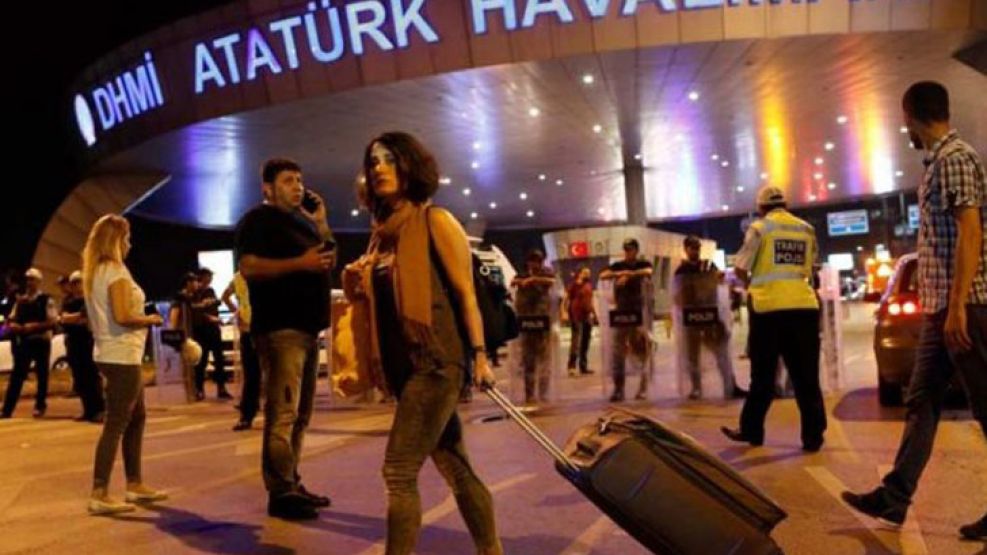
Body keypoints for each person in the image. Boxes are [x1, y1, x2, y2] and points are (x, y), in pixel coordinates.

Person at [343, 132, 502, 555]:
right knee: (455, 465)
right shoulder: (382, 237)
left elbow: (466, 293)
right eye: (372, 160)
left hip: (436, 361)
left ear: (410, 166)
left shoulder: (435, 220)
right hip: (405, 368)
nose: (378, 167)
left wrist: (481, 357)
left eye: (389, 159)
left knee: (398, 471)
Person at [842, 81, 987, 540]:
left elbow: (970, 232)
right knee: (921, 398)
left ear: (912, 116)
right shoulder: (938, 162)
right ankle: (894, 496)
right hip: (941, 309)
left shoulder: (955, 158)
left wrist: (960, 306)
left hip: (967, 308)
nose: (904, 127)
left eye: (904, 119)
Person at [235, 158, 334, 521]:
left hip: (308, 330)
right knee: (282, 414)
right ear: (267, 188)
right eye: (289, 180)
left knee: (301, 416)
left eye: (300, 179)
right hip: (281, 330)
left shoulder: (303, 224)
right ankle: (280, 492)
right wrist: (300, 264)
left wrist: (321, 222)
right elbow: (249, 267)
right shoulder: (257, 221)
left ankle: (291, 480)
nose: (298, 186)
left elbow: (327, 259)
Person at [721, 186, 826, 452]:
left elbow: (741, 268)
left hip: (768, 311)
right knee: (806, 377)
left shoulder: (759, 228)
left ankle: (752, 430)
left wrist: (754, 288)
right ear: (786, 204)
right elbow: (814, 269)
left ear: (761, 207)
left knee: (764, 376)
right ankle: (813, 437)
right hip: (804, 308)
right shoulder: (805, 229)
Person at [82, 214, 167, 515]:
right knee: (117, 423)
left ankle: (135, 484)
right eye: (126, 238)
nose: (130, 243)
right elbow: (122, 316)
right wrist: (151, 318)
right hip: (121, 356)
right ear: (116, 240)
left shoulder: (96, 271)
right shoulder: (115, 271)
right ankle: (99, 492)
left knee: (136, 418)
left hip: (112, 353)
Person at [673, 236, 746, 400]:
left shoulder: (708, 265)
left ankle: (730, 384)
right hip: (691, 317)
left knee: (722, 352)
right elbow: (678, 295)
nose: (695, 251)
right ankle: (696, 387)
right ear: (686, 249)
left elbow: (719, 281)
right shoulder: (681, 271)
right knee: (693, 354)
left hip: (710, 315)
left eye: (697, 248)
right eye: (692, 248)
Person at [599, 238, 654, 402]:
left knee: (642, 351)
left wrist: (629, 275)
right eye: (626, 249)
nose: (628, 252)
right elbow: (603, 275)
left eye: (630, 249)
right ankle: (618, 389)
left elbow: (648, 272)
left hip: (639, 313)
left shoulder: (642, 263)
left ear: (636, 250)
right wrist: (619, 274)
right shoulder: (618, 265)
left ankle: (643, 387)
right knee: (618, 353)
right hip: (621, 313)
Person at [1, 268, 57, 418]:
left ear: (39, 282)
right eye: (27, 279)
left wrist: (33, 327)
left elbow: (52, 321)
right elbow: (12, 318)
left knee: (42, 375)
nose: (29, 283)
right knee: (17, 375)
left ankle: (40, 405)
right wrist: (12, 325)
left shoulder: (46, 300)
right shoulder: (21, 301)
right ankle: (7, 409)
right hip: (24, 342)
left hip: (40, 340)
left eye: (32, 279)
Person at [511, 249, 557, 405]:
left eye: (538, 261)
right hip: (526, 323)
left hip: (542, 322)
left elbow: (551, 282)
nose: (535, 264)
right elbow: (513, 282)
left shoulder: (546, 273)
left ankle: (543, 393)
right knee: (528, 360)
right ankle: (529, 394)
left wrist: (533, 280)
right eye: (532, 261)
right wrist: (523, 281)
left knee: (544, 359)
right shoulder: (522, 274)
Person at [59, 271, 105, 422]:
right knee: (80, 378)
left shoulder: (90, 299)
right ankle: (88, 410)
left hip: (88, 341)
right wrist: (76, 318)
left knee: (92, 376)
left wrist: (73, 318)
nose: (76, 286)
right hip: (73, 341)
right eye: (74, 283)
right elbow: (63, 318)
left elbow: (87, 318)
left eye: (79, 282)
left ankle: (100, 410)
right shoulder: (68, 301)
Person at [222, 270, 262, 431]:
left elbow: (225, 296)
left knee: (254, 374)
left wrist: (236, 311)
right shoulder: (260, 272)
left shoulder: (240, 277)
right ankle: (248, 413)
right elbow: (225, 296)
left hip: (257, 329)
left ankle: (248, 415)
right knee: (254, 374)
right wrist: (236, 312)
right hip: (255, 329)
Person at [192, 268, 232, 400]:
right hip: (201, 330)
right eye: (208, 276)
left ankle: (221, 388)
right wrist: (209, 316)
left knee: (219, 359)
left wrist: (214, 315)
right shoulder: (195, 292)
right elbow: (196, 311)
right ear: (201, 277)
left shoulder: (211, 290)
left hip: (214, 330)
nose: (210, 279)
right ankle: (199, 389)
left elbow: (215, 304)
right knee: (201, 361)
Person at [168, 273, 202, 401]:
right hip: (185, 335)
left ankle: (194, 391)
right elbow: (174, 317)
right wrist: (175, 335)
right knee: (187, 365)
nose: (197, 284)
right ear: (187, 283)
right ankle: (190, 393)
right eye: (194, 281)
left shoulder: (192, 298)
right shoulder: (179, 299)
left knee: (194, 365)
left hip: (194, 333)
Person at [564, 266, 596, 377]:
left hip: (587, 316)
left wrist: (594, 314)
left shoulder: (589, 285)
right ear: (580, 273)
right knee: (576, 341)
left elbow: (590, 300)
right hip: (576, 315)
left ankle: (583, 366)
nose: (588, 274)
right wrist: (563, 312)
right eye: (585, 272)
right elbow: (567, 298)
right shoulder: (574, 285)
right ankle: (572, 367)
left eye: (589, 272)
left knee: (586, 341)